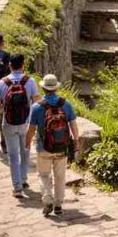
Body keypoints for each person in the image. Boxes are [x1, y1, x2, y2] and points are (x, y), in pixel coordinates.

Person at [26, 74, 79, 217]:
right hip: (62, 147)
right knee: (60, 177)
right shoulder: (66, 104)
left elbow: (31, 129)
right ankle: (58, 205)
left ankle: (48, 199)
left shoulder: (37, 107)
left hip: (43, 148)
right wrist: (76, 143)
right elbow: (73, 125)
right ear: (56, 88)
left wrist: (26, 144)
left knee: (43, 175)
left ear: (43, 88)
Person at [0, 54, 41, 198]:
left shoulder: (3, 82)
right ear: (23, 65)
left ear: (10, 65)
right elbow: (37, 101)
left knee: (13, 156)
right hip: (25, 122)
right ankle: (24, 179)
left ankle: (17, 187)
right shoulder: (30, 81)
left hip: (8, 123)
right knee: (25, 151)